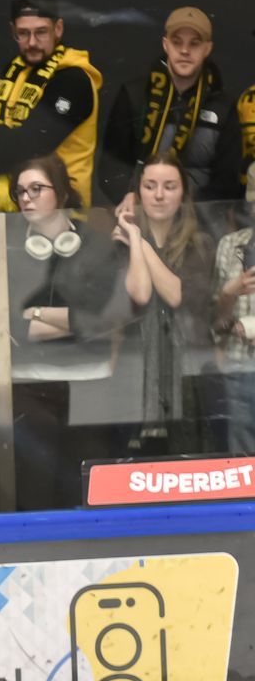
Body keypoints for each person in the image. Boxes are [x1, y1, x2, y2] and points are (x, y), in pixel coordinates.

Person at [1, 156, 127, 510]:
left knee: (85, 489)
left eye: (36, 189)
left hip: (90, 381)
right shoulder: (8, 246)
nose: (26, 198)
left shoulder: (97, 244)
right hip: (30, 383)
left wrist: (38, 314)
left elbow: (103, 321)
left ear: (61, 192)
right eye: (20, 191)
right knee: (35, 490)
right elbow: (9, 325)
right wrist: (76, 323)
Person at [112, 153, 216, 456]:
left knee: (188, 461)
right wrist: (133, 238)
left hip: (187, 374)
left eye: (169, 186)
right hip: (134, 370)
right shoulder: (118, 242)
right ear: (138, 192)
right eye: (150, 186)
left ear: (183, 193)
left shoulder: (201, 244)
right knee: (132, 468)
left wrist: (139, 241)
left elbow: (176, 295)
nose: (159, 195)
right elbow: (138, 295)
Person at [99, 7, 241, 215]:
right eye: (177, 42)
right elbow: (111, 165)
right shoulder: (134, 94)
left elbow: (227, 181)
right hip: (139, 213)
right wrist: (128, 194)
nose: (185, 51)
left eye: (194, 43)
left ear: (207, 48)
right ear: (165, 44)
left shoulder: (224, 106)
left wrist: (190, 214)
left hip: (201, 221)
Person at [0, 0, 102, 213]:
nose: (31, 42)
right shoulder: (14, 71)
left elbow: (25, 148)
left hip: (61, 213)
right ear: (13, 31)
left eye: (41, 32)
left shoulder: (73, 80)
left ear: (58, 29)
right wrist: (5, 138)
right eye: (23, 33)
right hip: (5, 208)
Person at [211, 176, 255, 454]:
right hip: (239, 366)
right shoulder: (230, 245)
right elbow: (216, 321)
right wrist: (228, 294)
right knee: (242, 459)